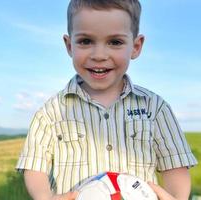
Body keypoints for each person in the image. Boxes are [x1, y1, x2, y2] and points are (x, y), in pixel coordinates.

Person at [16, 0, 198, 199]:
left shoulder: (155, 108)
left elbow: (175, 166)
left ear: (136, 46)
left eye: (115, 42)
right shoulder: (51, 111)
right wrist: (45, 197)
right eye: (86, 41)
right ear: (69, 46)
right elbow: (34, 166)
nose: (99, 55)